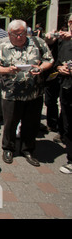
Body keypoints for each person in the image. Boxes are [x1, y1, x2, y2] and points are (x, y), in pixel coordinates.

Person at [0, 20, 54, 167]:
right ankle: (8, 148)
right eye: (16, 34)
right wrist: (8, 70)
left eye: (22, 33)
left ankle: (28, 149)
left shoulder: (37, 43)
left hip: (34, 94)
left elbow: (49, 60)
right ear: (9, 34)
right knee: (10, 124)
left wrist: (41, 68)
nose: (20, 37)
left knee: (31, 123)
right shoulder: (2, 47)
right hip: (11, 94)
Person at [48, 15, 72, 173]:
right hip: (67, 87)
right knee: (68, 120)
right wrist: (59, 68)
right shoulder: (64, 41)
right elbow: (56, 61)